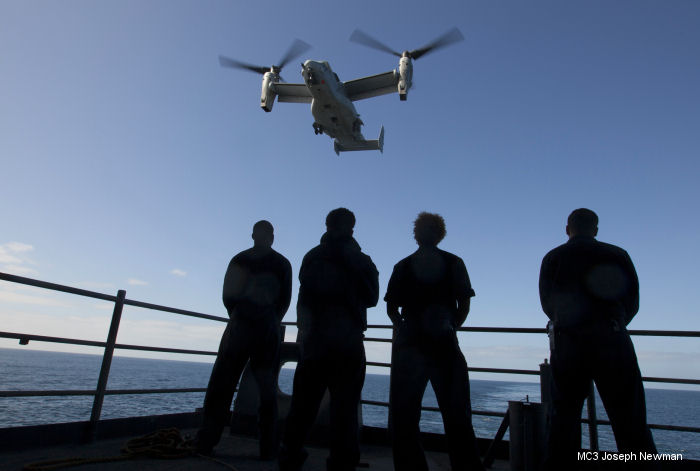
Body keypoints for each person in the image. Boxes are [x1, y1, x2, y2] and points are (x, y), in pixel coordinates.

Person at [539, 208, 658, 470]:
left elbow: (548, 304)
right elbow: (632, 302)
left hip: (568, 343)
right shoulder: (617, 254)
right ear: (595, 229)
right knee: (630, 421)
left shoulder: (553, 257)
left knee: (563, 420)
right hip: (612, 340)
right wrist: (613, 323)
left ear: (567, 229)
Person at [279, 208, 379, 471]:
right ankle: (342, 463)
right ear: (351, 228)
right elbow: (372, 298)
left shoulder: (312, 256)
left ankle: (289, 456)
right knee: (345, 408)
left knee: (303, 404)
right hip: (348, 343)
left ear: (327, 225)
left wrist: (306, 333)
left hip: (315, 342)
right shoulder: (361, 260)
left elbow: (304, 298)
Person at [385, 212, 485, 471]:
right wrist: (451, 326)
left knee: (405, 416)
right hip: (444, 344)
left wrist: (403, 328)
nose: (419, 232)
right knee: (457, 414)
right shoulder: (454, 263)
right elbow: (464, 303)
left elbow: (391, 308)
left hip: (410, 346)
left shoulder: (402, 266)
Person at [194, 220, 292, 459]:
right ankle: (268, 448)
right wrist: (268, 318)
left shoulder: (239, 259)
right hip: (266, 329)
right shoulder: (282, 264)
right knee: (267, 391)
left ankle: (206, 441)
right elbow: (285, 300)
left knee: (221, 385)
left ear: (252, 235)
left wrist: (240, 316)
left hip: (238, 328)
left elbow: (228, 296)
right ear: (272, 237)